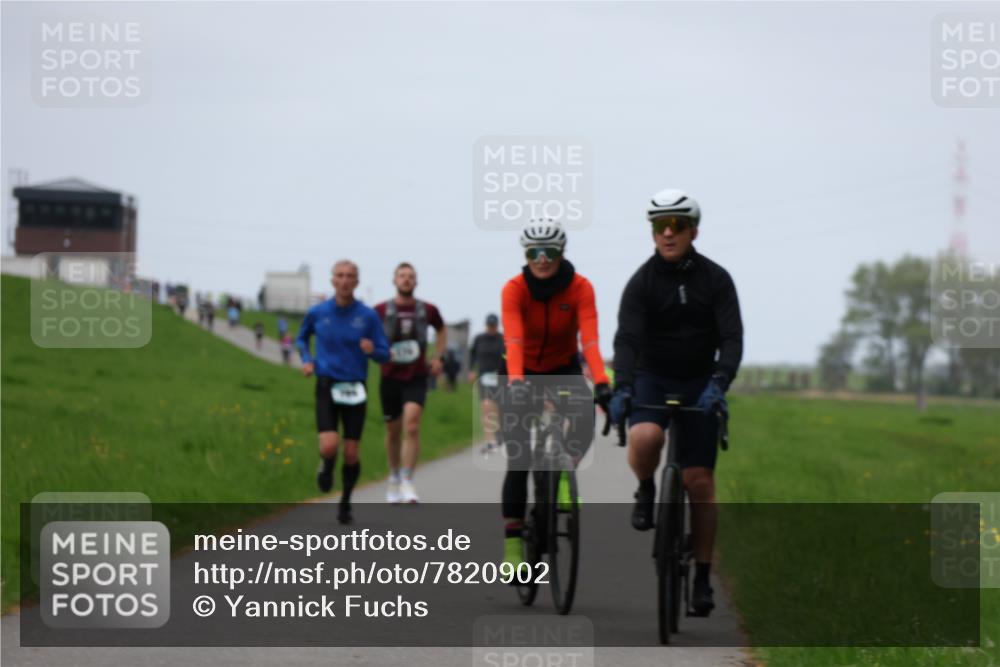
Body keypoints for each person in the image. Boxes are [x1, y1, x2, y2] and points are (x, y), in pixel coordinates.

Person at [609, 189, 743, 617]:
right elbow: (627, 339)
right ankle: (646, 487)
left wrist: (720, 382)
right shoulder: (641, 282)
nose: (667, 233)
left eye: (677, 226)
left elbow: (731, 338)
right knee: (646, 437)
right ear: (652, 233)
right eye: (659, 226)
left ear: (693, 231)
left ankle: (702, 577)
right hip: (652, 376)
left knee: (699, 482)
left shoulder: (716, 279)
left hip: (701, 381)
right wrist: (624, 385)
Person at [499, 219, 613, 568]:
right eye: (534, 252)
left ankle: (565, 471)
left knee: (583, 419)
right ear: (526, 254)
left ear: (562, 253)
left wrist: (602, 382)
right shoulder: (514, 289)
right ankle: (514, 546)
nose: (542, 258)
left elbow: (590, 341)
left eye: (550, 252)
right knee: (519, 459)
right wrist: (517, 384)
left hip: (562, 366)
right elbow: (514, 339)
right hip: (521, 369)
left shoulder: (580, 288)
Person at [297, 260, 390, 524]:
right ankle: (326, 465)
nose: (345, 280)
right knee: (329, 446)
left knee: (351, 453)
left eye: (350, 276)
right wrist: (306, 359)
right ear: (332, 280)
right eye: (340, 275)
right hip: (327, 384)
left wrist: (374, 350)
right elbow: (302, 337)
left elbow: (384, 354)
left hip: (355, 388)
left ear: (357, 282)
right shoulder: (318, 312)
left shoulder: (368, 316)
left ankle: (346, 501)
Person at [374, 263, 447, 504]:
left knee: (412, 426)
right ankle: (393, 475)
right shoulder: (381, 310)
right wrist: (374, 351)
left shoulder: (427, 309)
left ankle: (407, 480)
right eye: (402, 276)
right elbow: (367, 334)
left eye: (411, 276)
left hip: (416, 376)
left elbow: (441, 329)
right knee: (393, 431)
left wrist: (438, 357)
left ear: (416, 282)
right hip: (390, 377)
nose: (406, 280)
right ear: (394, 280)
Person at [468, 313, 505, 451]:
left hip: (501, 377)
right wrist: (471, 370)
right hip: (484, 378)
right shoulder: (479, 339)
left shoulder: (503, 339)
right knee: (487, 407)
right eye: (490, 326)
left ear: (497, 325)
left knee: (501, 408)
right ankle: (490, 440)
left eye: (494, 325)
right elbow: (472, 355)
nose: (492, 328)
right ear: (486, 325)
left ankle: (500, 432)